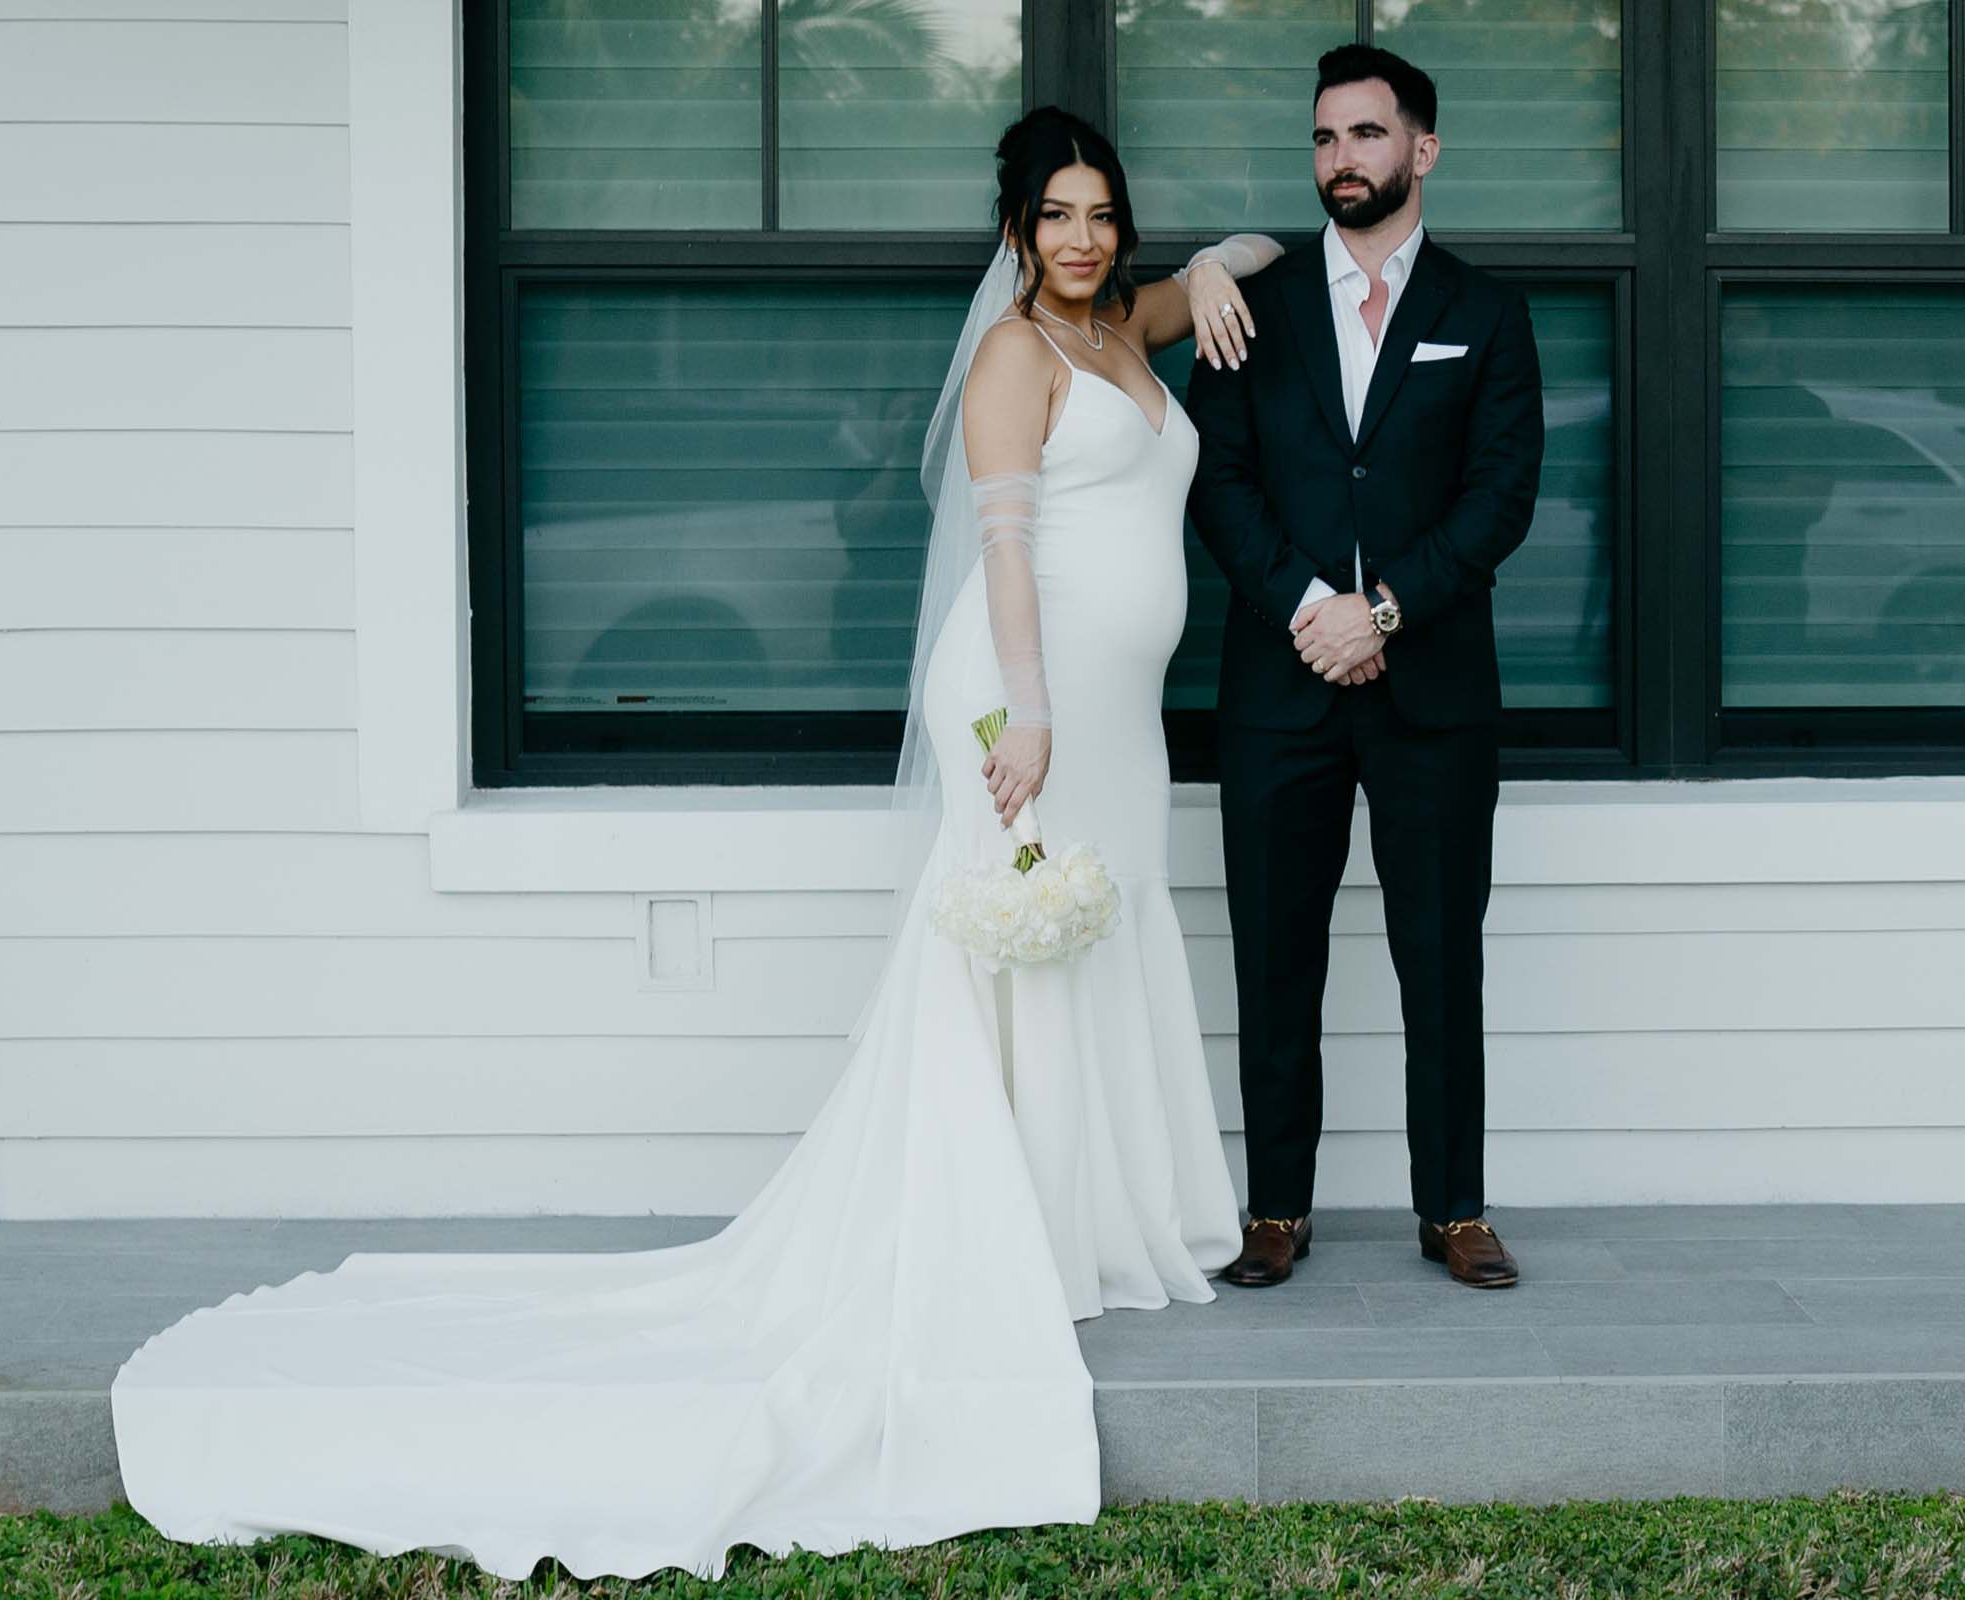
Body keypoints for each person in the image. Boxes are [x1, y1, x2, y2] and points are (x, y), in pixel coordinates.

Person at [107, 108, 1283, 1582]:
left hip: (1119, 715)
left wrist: (1233, 256)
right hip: (1023, 702)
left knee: (1097, 938)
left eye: (1101, 211)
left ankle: (1097, 1221)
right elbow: (1001, 549)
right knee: (1018, 952)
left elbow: (1203, 283)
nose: (1082, 236)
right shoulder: (1013, 358)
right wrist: (1026, 716)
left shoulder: (1122, 330)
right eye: (1054, 213)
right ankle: (1015, 1238)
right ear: (1013, 232)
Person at [1185, 45, 1545, 1291]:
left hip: (1431, 688)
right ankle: (1275, 1206)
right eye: (1325, 140)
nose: (1342, 160)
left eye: (1367, 136)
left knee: (1440, 952)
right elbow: (1217, 480)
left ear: (1421, 150)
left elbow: (1501, 498)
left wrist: (1380, 611)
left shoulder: (1485, 315)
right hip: (1278, 683)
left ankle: (1452, 1206)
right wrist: (1305, 605)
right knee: (1275, 951)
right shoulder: (1256, 304)